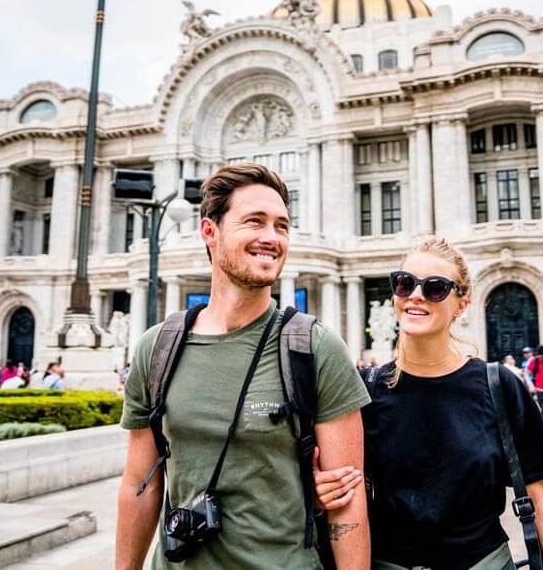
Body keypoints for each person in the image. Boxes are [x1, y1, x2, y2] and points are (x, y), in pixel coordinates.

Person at [117, 164, 371, 569]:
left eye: (282, 226)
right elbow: (139, 484)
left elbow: (347, 497)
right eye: (255, 222)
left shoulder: (316, 347)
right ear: (209, 232)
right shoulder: (157, 349)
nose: (271, 238)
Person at [314, 238, 543, 570]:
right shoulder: (367, 389)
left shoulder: (499, 385)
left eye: (435, 288)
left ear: (462, 304)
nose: (415, 296)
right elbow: (340, 487)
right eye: (404, 284)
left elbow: (540, 500)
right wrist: (320, 491)